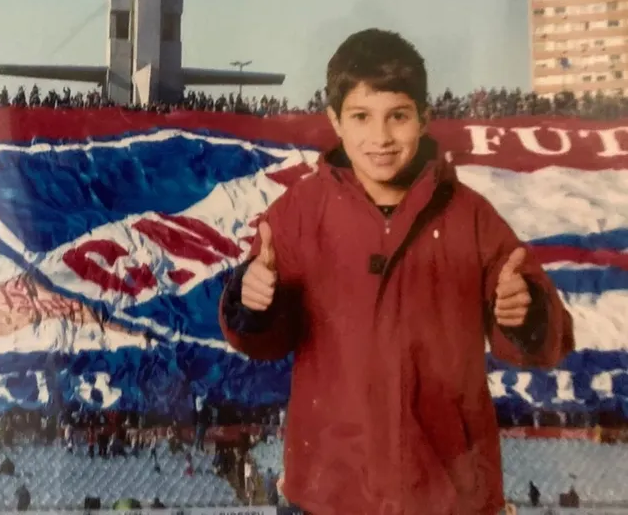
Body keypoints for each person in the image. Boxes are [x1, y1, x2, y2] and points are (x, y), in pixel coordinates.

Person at [219, 28, 574, 515]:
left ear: (425, 117)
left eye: (398, 117)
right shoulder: (300, 211)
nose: (381, 137)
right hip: (331, 491)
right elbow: (263, 339)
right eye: (361, 117)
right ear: (335, 122)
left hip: (448, 493)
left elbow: (545, 340)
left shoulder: (470, 215)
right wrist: (252, 299)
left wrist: (524, 310)